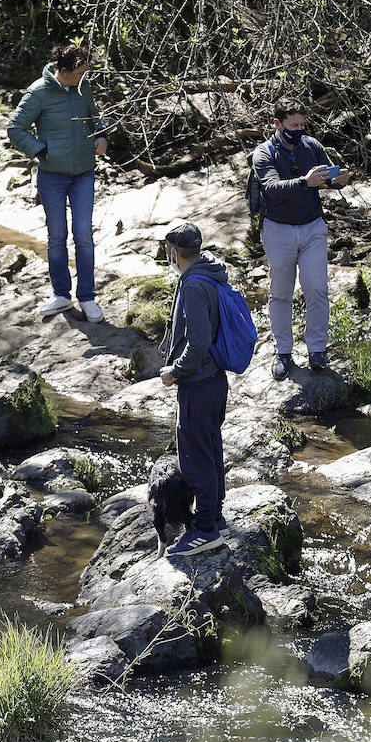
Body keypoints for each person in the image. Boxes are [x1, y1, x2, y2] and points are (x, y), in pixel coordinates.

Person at [7, 44, 109, 323]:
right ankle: (61, 295)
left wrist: (101, 135)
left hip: (84, 173)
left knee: (84, 235)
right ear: (63, 71)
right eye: (79, 73)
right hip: (52, 176)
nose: (83, 77)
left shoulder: (82, 88)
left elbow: (94, 118)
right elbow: (15, 128)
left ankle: (87, 297)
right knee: (57, 237)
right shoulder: (38, 92)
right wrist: (40, 150)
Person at [250, 99, 352, 378]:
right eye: (293, 125)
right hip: (277, 229)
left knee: (317, 288)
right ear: (277, 124)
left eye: (302, 124)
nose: (298, 129)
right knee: (281, 293)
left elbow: (327, 177)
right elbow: (271, 187)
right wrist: (304, 182)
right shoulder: (263, 154)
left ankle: (317, 350)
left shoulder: (312, 146)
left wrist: (338, 179)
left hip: (312, 228)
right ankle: (283, 352)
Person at [158, 220, 229, 556]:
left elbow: (199, 341)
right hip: (214, 381)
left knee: (195, 458)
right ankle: (215, 515)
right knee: (210, 448)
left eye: (165, 248)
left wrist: (176, 370)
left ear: (173, 251)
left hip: (198, 383)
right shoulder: (208, 273)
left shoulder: (193, 286)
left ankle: (204, 530)